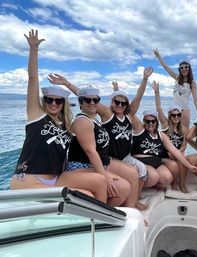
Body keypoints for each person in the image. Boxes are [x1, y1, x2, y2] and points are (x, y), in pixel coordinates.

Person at [10, 29, 108, 203]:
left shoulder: (65, 125)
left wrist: (72, 86)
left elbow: (86, 99)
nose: (54, 104)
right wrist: (34, 49)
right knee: (86, 198)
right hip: (31, 179)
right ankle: (98, 224)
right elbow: (33, 79)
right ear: (44, 100)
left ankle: (104, 221)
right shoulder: (36, 116)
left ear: (63, 104)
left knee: (100, 182)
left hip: (57, 177)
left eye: (58, 101)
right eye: (49, 100)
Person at [47, 69, 155, 210]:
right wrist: (67, 83)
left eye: (123, 103)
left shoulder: (125, 116)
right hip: (98, 161)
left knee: (136, 173)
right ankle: (113, 211)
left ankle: (131, 207)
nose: (120, 105)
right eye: (117, 102)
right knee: (125, 182)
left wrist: (144, 79)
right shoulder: (105, 115)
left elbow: (138, 98)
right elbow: (86, 96)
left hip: (110, 159)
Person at [62, 86, 132, 206]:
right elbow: (90, 151)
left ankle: (105, 212)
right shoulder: (82, 121)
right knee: (123, 187)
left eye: (95, 100)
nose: (92, 103)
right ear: (80, 103)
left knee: (125, 185)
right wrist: (104, 176)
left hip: (93, 165)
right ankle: (101, 216)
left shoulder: (94, 120)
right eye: (88, 100)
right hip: (80, 166)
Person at [131, 109, 197, 188]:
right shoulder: (139, 130)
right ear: (143, 122)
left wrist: (189, 166)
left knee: (167, 178)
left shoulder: (161, 135)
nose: (150, 124)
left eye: (153, 121)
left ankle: (153, 184)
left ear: (156, 122)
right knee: (154, 177)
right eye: (147, 121)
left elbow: (174, 150)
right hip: (142, 161)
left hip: (156, 161)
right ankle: (143, 185)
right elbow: (131, 112)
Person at [152, 81, 188, 192]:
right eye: (173, 115)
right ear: (170, 116)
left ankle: (182, 184)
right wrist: (157, 92)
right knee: (175, 165)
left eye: (178, 115)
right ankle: (174, 183)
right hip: (164, 156)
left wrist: (178, 154)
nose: (176, 117)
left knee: (183, 162)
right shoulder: (165, 124)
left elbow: (184, 145)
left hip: (176, 154)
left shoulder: (184, 129)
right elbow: (159, 109)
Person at [153, 49, 197, 129]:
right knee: (171, 131)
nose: (184, 69)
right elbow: (166, 67)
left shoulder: (192, 82)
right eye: (181, 68)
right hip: (174, 110)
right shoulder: (177, 78)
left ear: (189, 68)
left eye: (186, 67)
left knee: (184, 134)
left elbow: (196, 99)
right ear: (179, 69)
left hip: (184, 110)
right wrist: (159, 57)